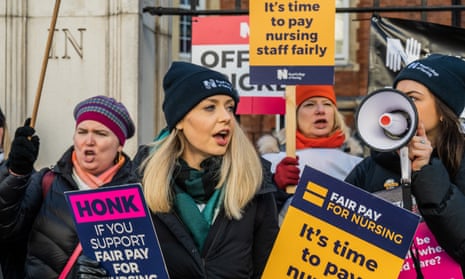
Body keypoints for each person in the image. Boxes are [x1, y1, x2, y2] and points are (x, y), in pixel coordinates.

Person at [133, 61, 279, 279]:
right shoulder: (137, 183)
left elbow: (268, 270)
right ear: (180, 120)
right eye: (210, 107)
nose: (226, 117)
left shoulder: (256, 184)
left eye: (229, 107)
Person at [345, 54, 465, 273]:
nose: (401, 106)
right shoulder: (368, 170)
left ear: (442, 111)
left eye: (413, 98)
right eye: (397, 97)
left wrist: (427, 174)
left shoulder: (461, 163)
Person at [0, 95, 137, 278]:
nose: (89, 141)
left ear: (120, 144)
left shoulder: (138, 194)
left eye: (100, 133)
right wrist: (17, 173)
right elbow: (6, 228)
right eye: (82, 131)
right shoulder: (47, 182)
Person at [257, 85, 363, 222]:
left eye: (327, 104)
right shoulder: (270, 162)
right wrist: (275, 188)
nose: (320, 110)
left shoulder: (358, 165)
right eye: (310, 104)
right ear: (293, 115)